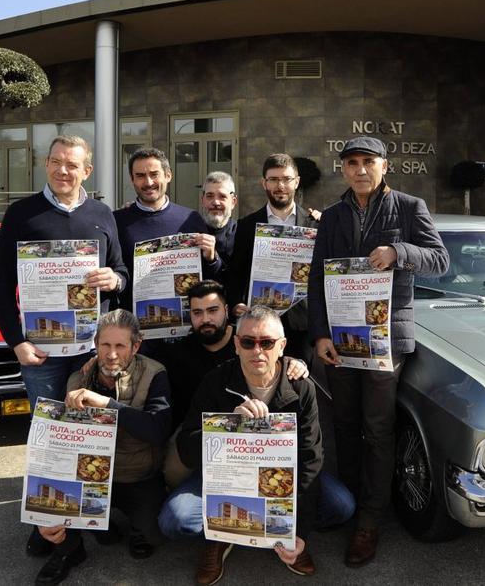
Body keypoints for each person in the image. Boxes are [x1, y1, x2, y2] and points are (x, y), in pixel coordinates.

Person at [306, 135, 449, 568]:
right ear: (344, 169)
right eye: (352, 162)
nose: (360, 169)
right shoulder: (332, 216)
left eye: (368, 161)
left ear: (385, 166)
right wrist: (321, 335)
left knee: (379, 428)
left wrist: (398, 251)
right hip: (342, 340)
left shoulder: (409, 208)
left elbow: (440, 260)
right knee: (345, 425)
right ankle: (349, 503)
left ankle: (371, 518)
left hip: (386, 338)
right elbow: (316, 279)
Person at [158, 306, 355, 585]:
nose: (257, 351)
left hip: (280, 477)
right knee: (174, 520)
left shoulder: (301, 387)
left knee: (341, 505)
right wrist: (228, 426)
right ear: (237, 344)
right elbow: (187, 449)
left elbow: (311, 457)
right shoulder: (216, 381)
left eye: (267, 342)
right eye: (248, 342)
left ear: (282, 345)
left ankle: (281, 534)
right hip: (225, 478)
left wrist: (298, 533)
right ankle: (218, 537)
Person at [31, 310, 171, 585]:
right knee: (42, 527)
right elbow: (58, 447)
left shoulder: (154, 373)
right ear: (95, 343)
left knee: (155, 533)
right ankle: (71, 551)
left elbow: (157, 431)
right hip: (88, 479)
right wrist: (42, 510)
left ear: (136, 346)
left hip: (136, 475)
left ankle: (127, 525)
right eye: (105, 345)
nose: (112, 354)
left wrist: (107, 405)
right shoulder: (77, 380)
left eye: (120, 346)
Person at [0, 134, 128, 409]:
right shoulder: (20, 214)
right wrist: (16, 342)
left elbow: (121, 270)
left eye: (71, 165)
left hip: (93, 349)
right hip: (42, 351)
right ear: (46, 164)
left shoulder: (102, 213)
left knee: (93, 430)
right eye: (55, 161)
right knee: (48, 430)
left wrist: (115, 280)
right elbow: (1, 286)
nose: (61, 170)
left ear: (87, 172)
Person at [143, 279, 311, 487]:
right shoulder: (181, 352)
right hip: (206, 426)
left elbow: (274, 352)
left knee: (340, 504)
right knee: (174, 488)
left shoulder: (248, 337)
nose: (206, 319)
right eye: (197, 313)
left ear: (225, 310)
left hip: (266, 439)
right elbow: (145, 364)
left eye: (212, 310)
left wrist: (296, 364)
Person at [226, 153, 318, 363]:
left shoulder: (315, 225)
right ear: (263, 183)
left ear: (297, 182)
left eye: (286, 179)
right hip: (259, 326)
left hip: (301, 326)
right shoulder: (247, 226)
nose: (280, 186)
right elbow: (235, 274)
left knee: (298, 383)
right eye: (274, 179)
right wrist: (235, 304)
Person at [114, 147, 221, 308]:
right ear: (132, 179)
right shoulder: (116, 221)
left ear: (168, 175)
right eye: (140, 176)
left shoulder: (190, 219)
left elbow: (211, 279)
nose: (148, 182)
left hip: (184, 322)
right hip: (134, 324)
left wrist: (212, 258)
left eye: (154, 174)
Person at [200, 171, 237, 279]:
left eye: (222, 196)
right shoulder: (190, 231)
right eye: (209, 196)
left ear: (233, 202)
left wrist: (213, 258)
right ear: (202, 200)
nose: (216, 202)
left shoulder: (243, 234)